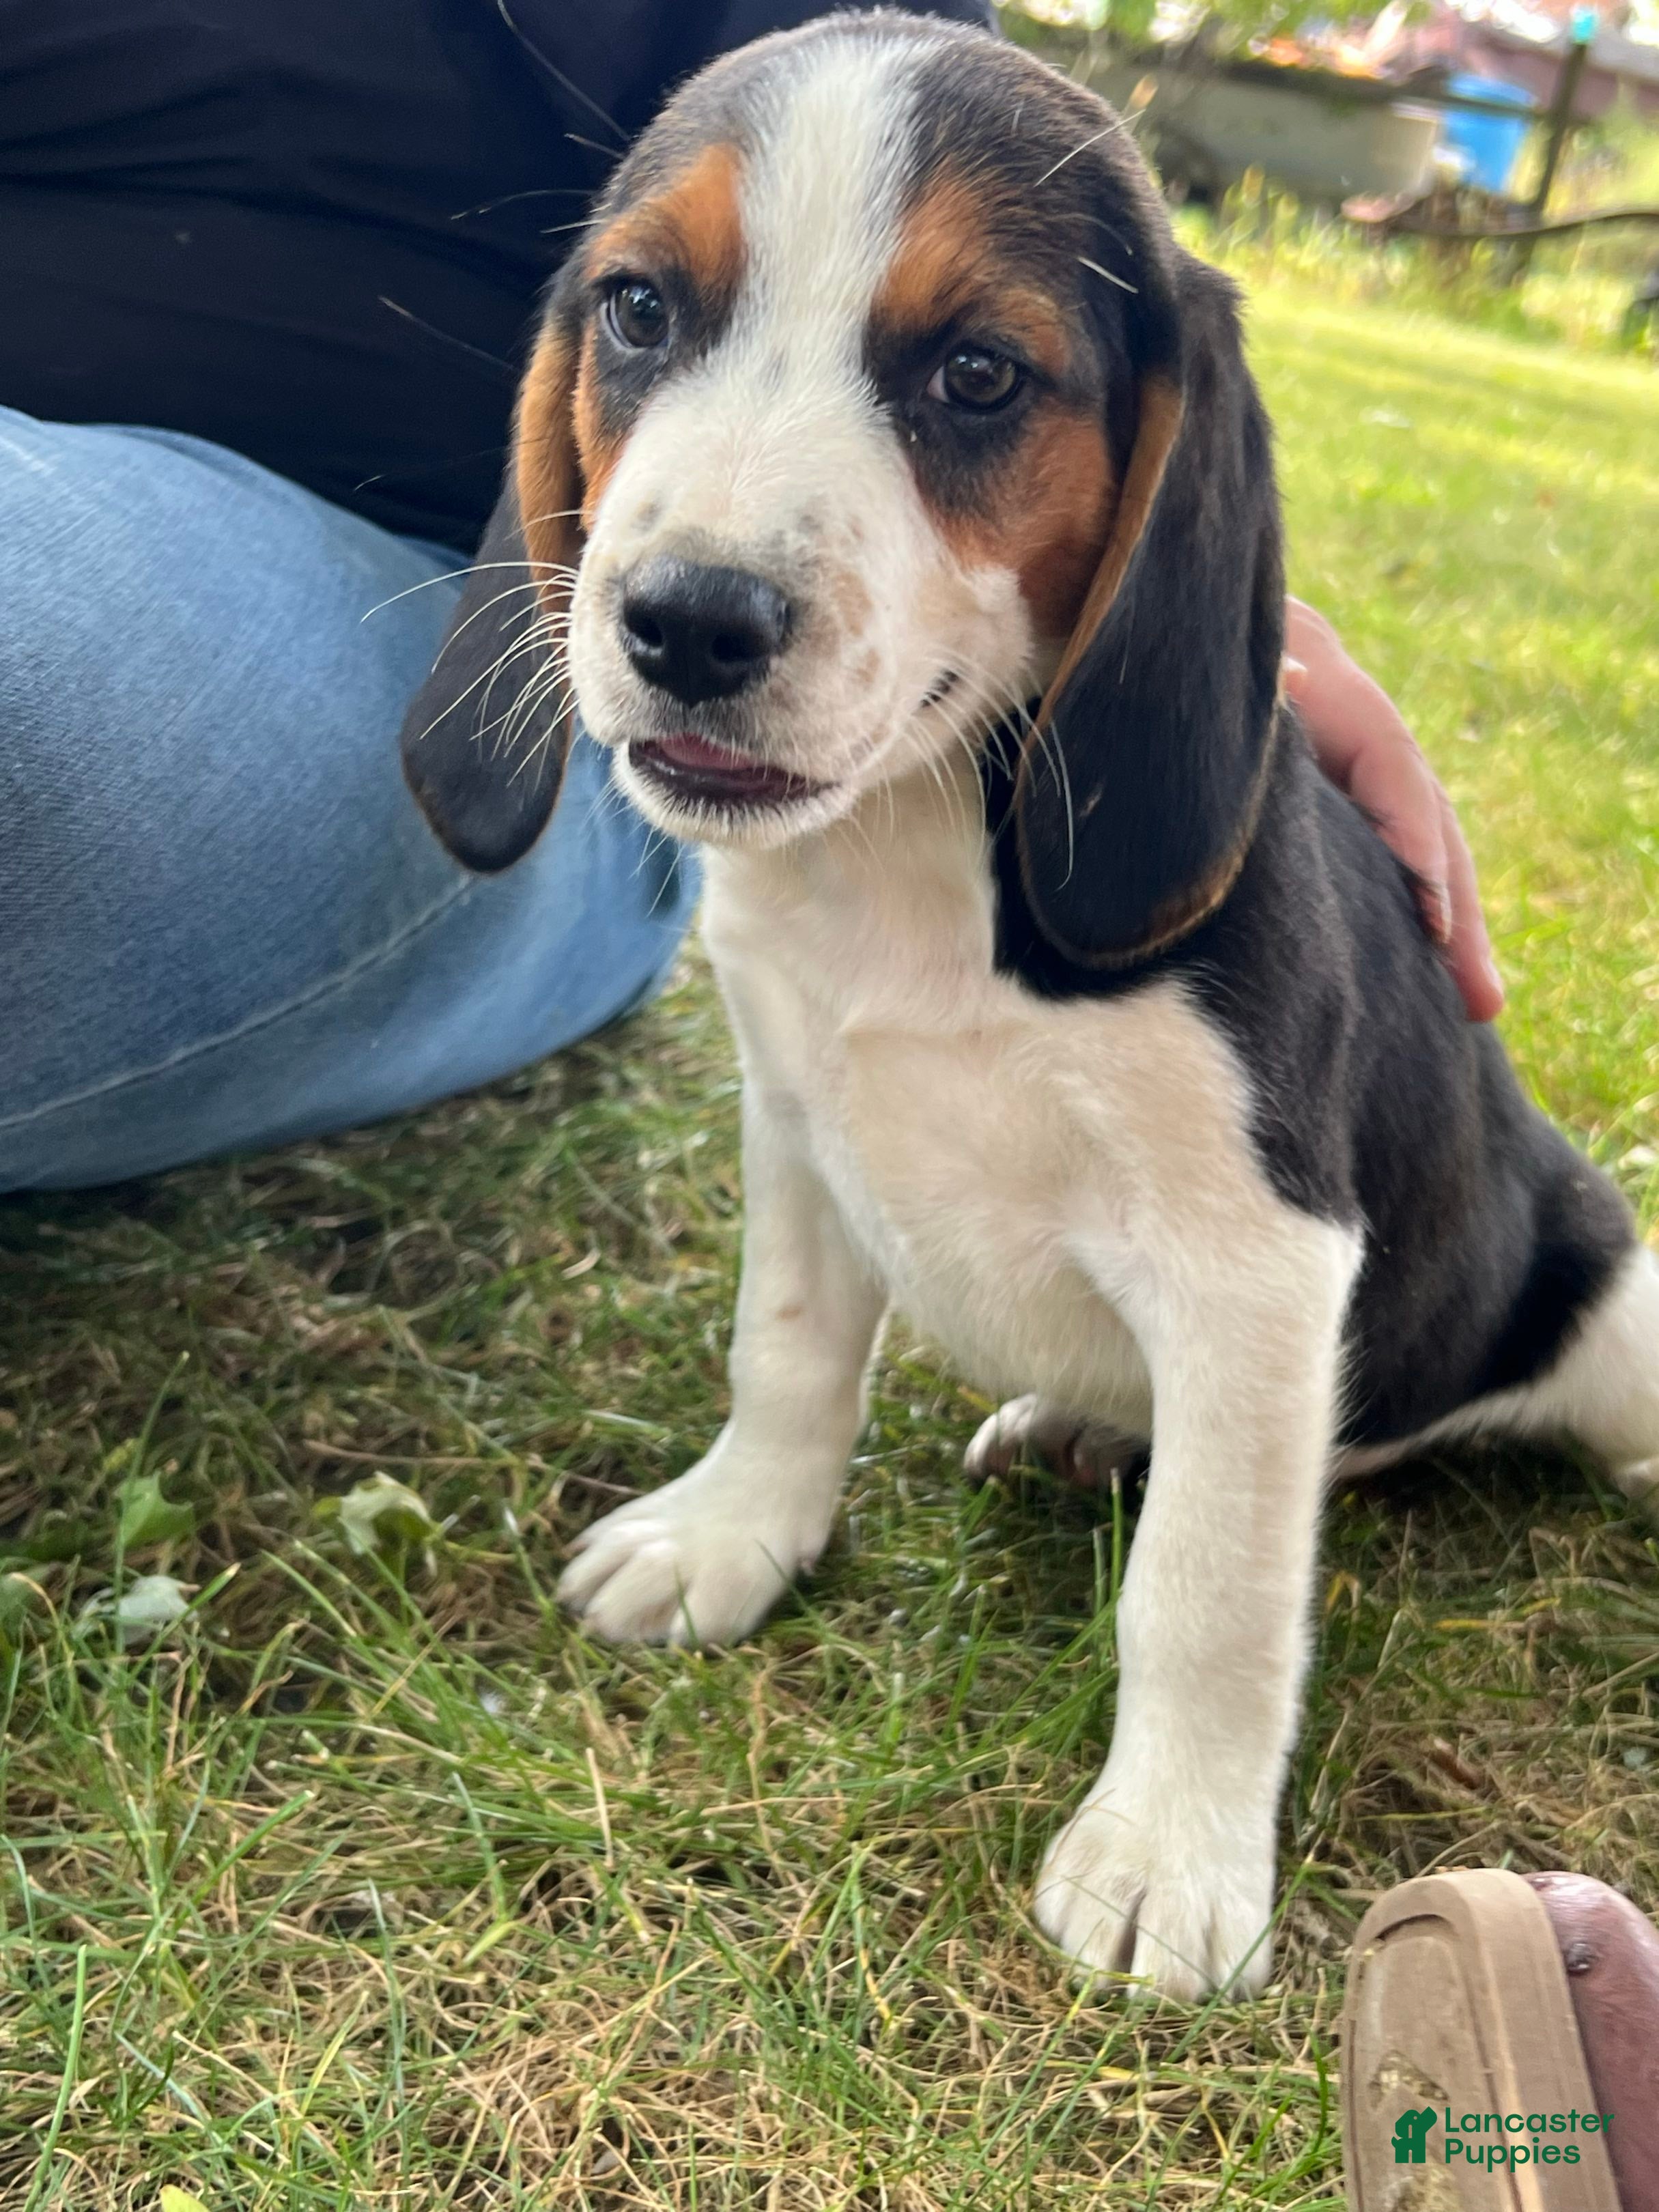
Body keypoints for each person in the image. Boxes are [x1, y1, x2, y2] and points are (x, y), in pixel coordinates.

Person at [0, 0, 1499, 1199]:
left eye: (972, 379)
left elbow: (909, 123)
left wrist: (1199, 621)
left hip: (356, 588)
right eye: (644, 314)